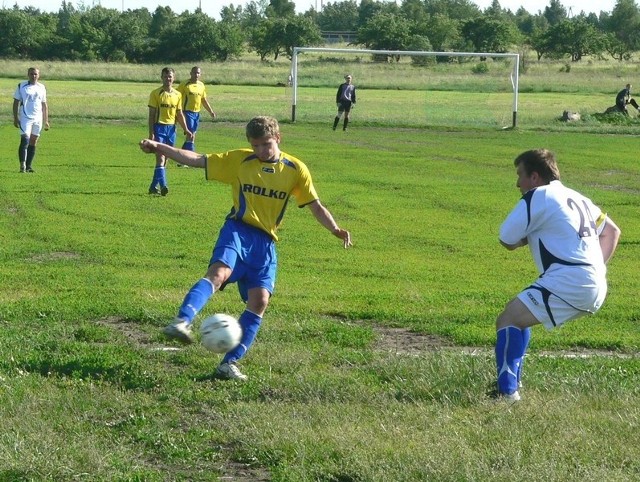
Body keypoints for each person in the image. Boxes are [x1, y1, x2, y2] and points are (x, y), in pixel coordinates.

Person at [139, 116, 352, 380]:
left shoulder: (296, 169)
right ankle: (182, 321)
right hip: (238, 230)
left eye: (266, 144)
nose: (261, 150)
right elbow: (196, 159)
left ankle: (229, 363)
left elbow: (315, 205)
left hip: (265, 243)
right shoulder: (240, 160)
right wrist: (159, 147)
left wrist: (335, 229)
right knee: (218, 274)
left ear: (278, 139)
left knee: (260, 300)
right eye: (256, 145)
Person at [496, 149, 621, 401]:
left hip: (569, 280)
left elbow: (506, 238)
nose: (517, 183)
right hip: (594, 283)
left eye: (520, 175)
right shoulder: (578, 197)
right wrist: (597, 269)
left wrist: (524, 238)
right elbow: (612, 232)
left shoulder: (537, 195)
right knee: (517, 316)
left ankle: (506, 394)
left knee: (507, 320)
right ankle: (509, 386)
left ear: (534, 177)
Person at [147, 67, 192, 196]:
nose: (168, 79)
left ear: (174, 78)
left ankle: (152, 187)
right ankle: (164, 185)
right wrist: (151, 133)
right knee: (160, 158)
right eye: (166, 76)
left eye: (170, 76)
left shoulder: (178, 94)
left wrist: (186, 129)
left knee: (166, 159)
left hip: (171, 129)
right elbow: (151, 115)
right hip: (159, 127)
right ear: (162, 77)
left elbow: (179, 114)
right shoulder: (156, 93)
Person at [13, 67, 50, 173]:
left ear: (39, 75)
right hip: (25, 117)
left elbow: (44, 104)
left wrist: (46, 120)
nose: (33, 76)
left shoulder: (42, 87)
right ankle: (22, 165)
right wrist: (16, 118)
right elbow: (16, 102)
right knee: (25, 139)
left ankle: (29, 166)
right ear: (28, 75)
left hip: (38, 118)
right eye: (31, 74)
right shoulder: (22, 86)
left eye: (35, 74)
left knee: (33, 141)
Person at [177, 66, 216, 152]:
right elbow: (176, 96)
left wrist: (211, 111)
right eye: (194, 73)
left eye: (198, 73)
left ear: (200, 74)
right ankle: (190, 154)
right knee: (191, 134)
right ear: (190, 73)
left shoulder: (201, 85)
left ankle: (182, 156)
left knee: (192, 134)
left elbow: (203, 100)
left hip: (196, 113)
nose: (196, 75)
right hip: (187, 112)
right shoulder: (184, 84)